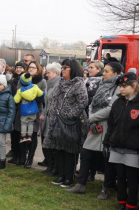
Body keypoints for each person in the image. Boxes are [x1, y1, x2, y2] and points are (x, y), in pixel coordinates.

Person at [66, 62, 122, 194]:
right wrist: (92, 119)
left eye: (107, 71)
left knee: (107, 159)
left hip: (107, 127)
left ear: (115, 74)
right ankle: (80, 184)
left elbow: (111, 109)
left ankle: (107, 187)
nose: (104, 73)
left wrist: (91, 118)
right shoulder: (101, 85)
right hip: (94, 126)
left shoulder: (118, 88)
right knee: (85, 154)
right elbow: (92, 104)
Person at [44, 59, 88, 187]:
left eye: (65, 68)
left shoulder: (79, 83)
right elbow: (53, 100)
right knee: (59, 148)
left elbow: (82, 103)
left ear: (72, 69)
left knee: (70, 150)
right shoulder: (60, 83)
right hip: (57, 120)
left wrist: (69, 115)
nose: (62, 70)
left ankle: (69, 177)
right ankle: (61, 175)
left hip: (72, 122)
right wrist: (54, 114)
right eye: (62, 68)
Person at [103, 72, 139, 210]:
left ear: (134, 85)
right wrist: (107, 143)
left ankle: (131, 203)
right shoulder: (118, 102)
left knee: (132, 179)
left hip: (133, 149)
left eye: (124, 86)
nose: (121, 89)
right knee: (120, 177)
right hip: (117, 146)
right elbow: (111, 125)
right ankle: (121, 202)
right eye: (119, 86)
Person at [19, 61, 47, 168]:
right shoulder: (22, 79)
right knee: (22, 134)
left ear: (38, 69)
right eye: (29, 67)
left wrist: (30, 95)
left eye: (34, 68)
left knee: (33, 135)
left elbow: (43, 97)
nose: (31, 69)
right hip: (22, 110)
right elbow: (18, 92)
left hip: (35, 111)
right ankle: (22, 157)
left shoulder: (42, 81)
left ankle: (30, 159)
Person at [40, 62, 62, 174]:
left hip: (53, 119)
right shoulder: (50, 84)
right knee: (46, 142)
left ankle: (55, 167)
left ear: (56, 73)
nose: (46, 75)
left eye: (48, 73)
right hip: (47, 116)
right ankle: (50, 165)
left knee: (52, 144)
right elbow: (47, 102)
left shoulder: (59, 85)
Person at [14, 72, 44, 143]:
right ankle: (29, 136)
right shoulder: (35, 87)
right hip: (33, 109)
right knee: (31, 123)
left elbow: (16, 100)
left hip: (24, 110)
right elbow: (41, 94)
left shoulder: (20, 90)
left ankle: (23, 137)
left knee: (24, 124)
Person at [7, 61, 27, 163]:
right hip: (13, 108)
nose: (18, 69)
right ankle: (15, 155)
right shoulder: (12, 80)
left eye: (21, 68)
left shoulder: (27, 80)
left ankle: (22, 156)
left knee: (21, 133)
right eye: (17, 67)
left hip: (22, 108)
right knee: (13, 133)